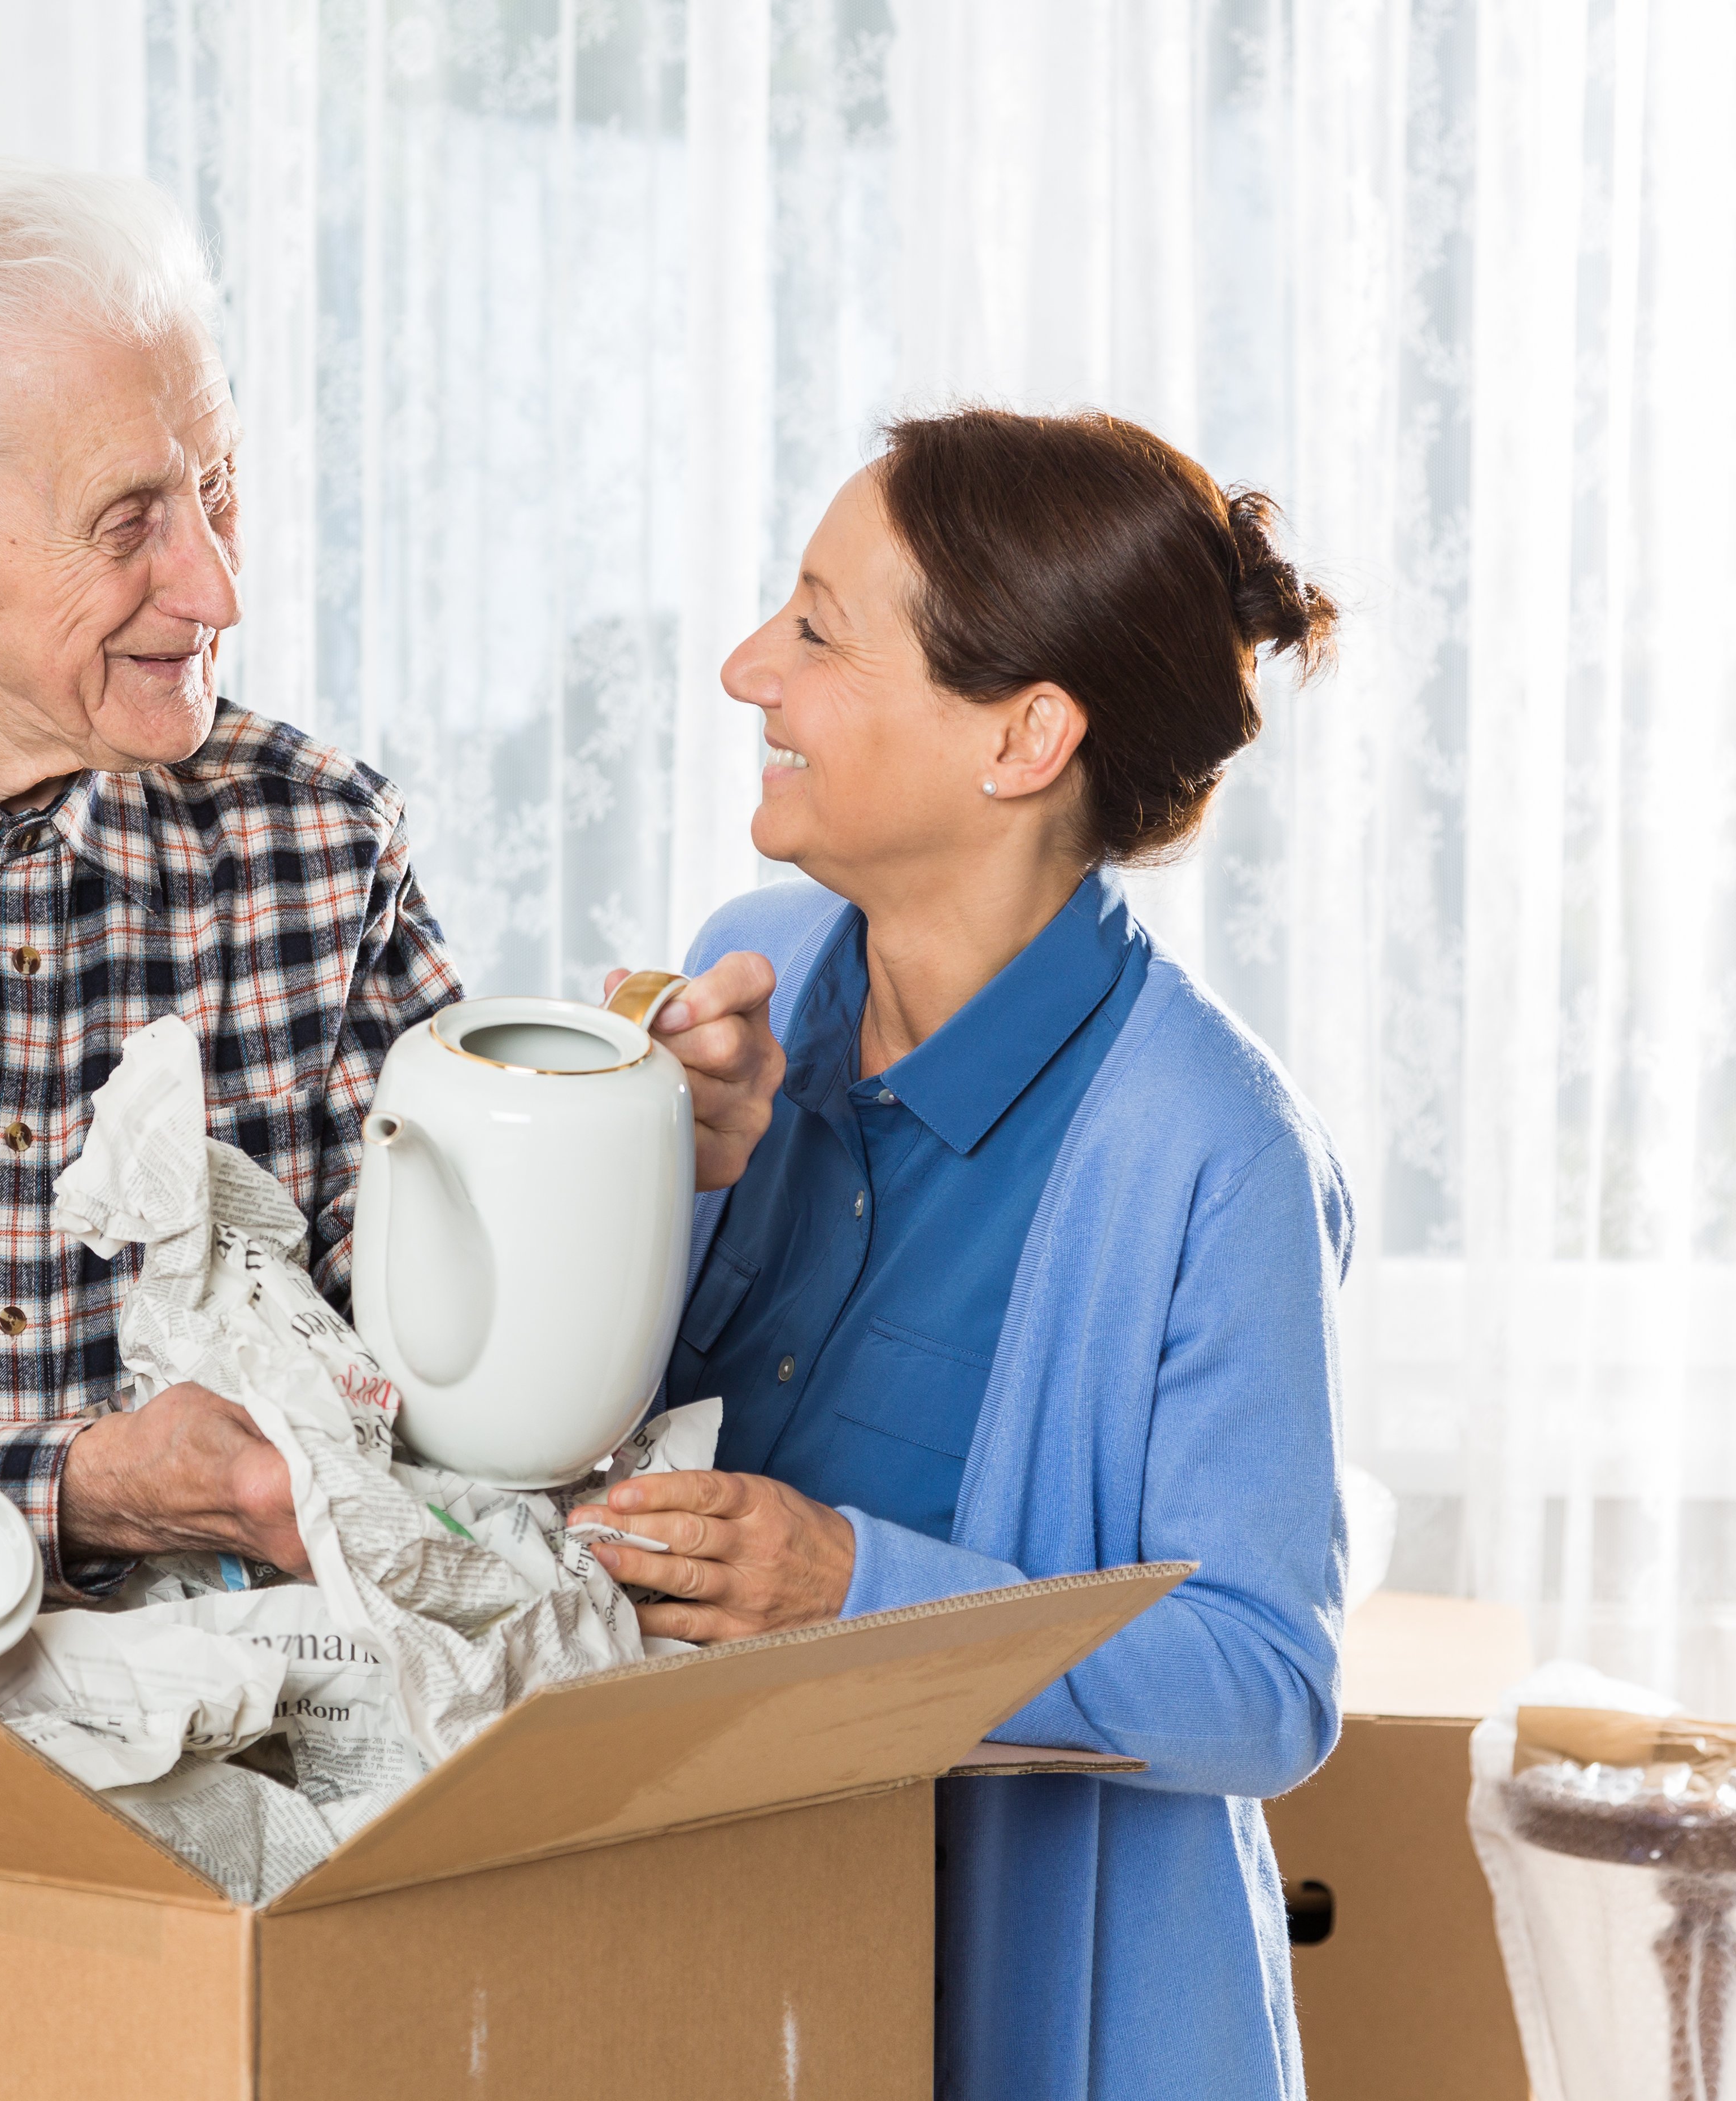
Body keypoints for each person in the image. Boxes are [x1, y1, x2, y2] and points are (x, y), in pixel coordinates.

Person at [0, 161, 781, 1610]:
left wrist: (622, 1149)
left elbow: (438, 1364)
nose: (217, 586)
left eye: (219, 487)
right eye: (130, 522)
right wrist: (86, 1492)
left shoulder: (320, 835)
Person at [570, 408, 1351, 2099]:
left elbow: (1265, 1684)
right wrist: (644, 1182)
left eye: (815, 630)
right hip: (705, 1967)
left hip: (1021, 2027)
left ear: (1020, 741)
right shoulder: (751, 963)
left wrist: (853, 1591)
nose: (739, 670)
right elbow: (604, 1477)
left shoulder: (1211, 1153)